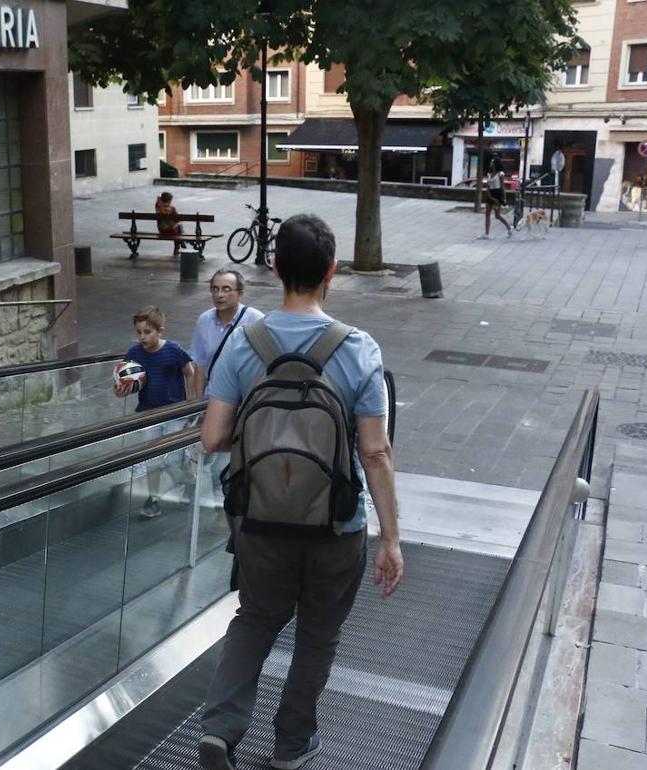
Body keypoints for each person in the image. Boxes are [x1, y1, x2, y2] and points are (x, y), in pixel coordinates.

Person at [196, 214, 403, 770]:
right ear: (332, 271)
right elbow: (375, 453)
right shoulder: (359, 348)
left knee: (255, 618)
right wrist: (391, 538)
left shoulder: (244, 344)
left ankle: (219, 729)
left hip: (260, 521)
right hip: (337, 525)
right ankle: (290, 745)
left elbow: (212, 438)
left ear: (274, 269)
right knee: (318, 634)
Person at [189, 270, 265, 505]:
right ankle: (215, 505)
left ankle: (232, 505)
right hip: (214, 400)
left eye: (226, 289)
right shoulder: (205, 320)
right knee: (210, 454)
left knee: (232, 459)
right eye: (215, 288)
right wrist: (196, 405)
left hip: (243, 402)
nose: (219, 294)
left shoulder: (255, 320)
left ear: (240, 293)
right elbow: (200, 366)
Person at [115, 306, 196, 517]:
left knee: (173, 460)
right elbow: (124, 383)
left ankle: (190, 480)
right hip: (148, 414)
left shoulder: (173, 350)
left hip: (174, 412)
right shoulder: (134, 353)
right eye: (139, 332)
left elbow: (190, 373)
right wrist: (121, 390)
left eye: (147, 332)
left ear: (160, 331)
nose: (142, 337)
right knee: (153, 460)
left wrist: (191, 404)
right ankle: (154, 499)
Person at [483, 159, 512, 239]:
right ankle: (486, 234)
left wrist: (504, 198)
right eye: (490, 162)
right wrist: (488, 193)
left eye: (492, 162)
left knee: (497, 215)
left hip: (497, 194)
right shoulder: (489, 174)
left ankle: (509, 227)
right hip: (490, 194)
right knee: (487, 214)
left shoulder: (500, 174)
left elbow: (502, 187)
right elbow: (488, 186)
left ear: (495, 164)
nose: (490, 163)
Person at [156, 191, 185, 257]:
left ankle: (181, 242)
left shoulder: (158, 208)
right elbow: (178, 219)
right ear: (170, 200)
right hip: (171, 231)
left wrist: (159, 199)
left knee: (177, 228)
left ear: (162, 199)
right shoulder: (172, 209)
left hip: (161, 230)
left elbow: (157, 200)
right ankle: (178, 246)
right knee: (179, 227)